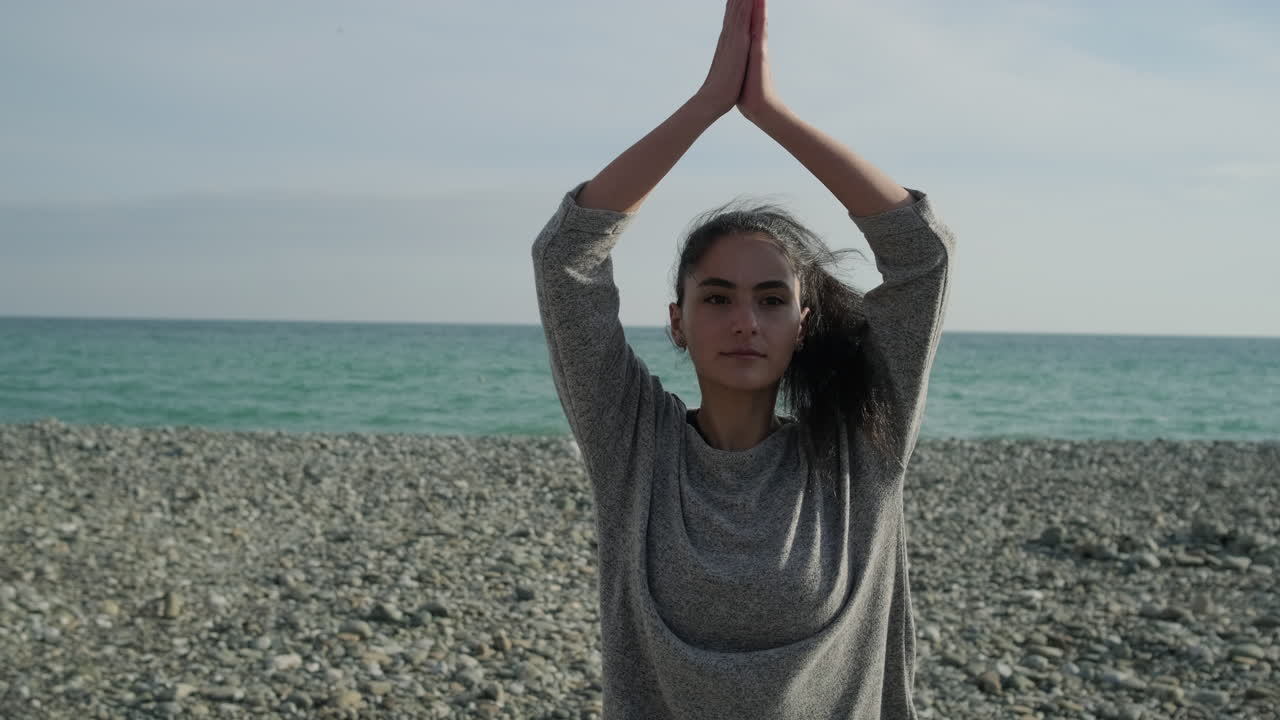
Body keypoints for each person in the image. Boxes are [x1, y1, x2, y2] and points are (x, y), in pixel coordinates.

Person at [531, 0, 954, 716]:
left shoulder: (859, 449)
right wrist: (704, 106)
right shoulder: (634, 448)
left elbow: (923, 258)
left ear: (802, 322)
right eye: (718, 299)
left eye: (771, 300)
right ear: (678, 322)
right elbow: (565, 257)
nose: (745, 322)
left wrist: (770, 113)